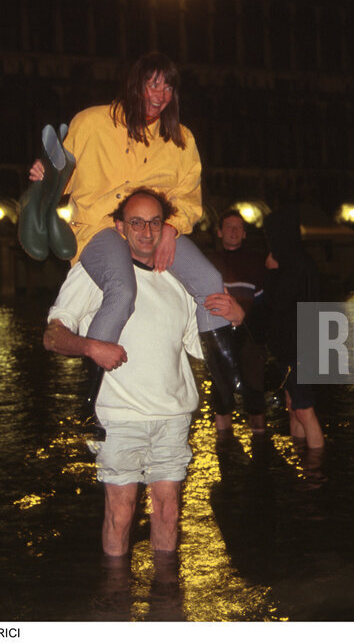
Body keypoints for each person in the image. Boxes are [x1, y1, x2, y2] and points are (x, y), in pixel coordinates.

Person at [27, 52, 246, 431]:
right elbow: (58, 178)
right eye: (153, 83)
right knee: (121, 289)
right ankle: (90, 401)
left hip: (155, 226)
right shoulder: (91, 122)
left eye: (168, 86)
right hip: (100, 228)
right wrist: (42, 172)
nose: (161, 94)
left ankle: (231, 385)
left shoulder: (181, 139)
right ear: (135, 85)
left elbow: (189, 198)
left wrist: (173, 229)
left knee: (210, 282)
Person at [43, 189, 244, 558]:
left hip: (173, 416)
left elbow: (197, 347)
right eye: (136, 222)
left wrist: (235, 319)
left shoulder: (179, 279)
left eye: (155, 222)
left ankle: (168, 603)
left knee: (168, 512)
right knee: (121, 513)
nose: (147, 232)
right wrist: (91, 346)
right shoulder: (92, 274)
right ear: (120, 227)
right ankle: (116, 603)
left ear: (165, 227)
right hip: (119, 418)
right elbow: (53, 336)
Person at [263, 207, 324, 450]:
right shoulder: (300, 260)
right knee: (294, 406)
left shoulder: (290, 263)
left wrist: (270, 273)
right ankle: (303, 456)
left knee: (303, 408)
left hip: (298, 348)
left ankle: (316, 467)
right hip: (296, 346)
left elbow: (278, 301)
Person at [209, 210, 268, 439]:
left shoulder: (256, 262)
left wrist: (255, 333)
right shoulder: (209, 262)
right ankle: (224, 446)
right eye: (229, 226)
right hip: (218, 338)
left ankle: (260, 441)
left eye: (238, 227)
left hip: (250, 337)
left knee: (255, 393)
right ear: (220, 232)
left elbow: (264, 304)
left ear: (244, 234)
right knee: (220, 395)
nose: (233, 231)